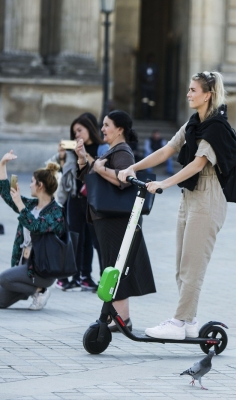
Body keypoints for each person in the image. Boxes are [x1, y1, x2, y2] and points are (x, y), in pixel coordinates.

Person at [118, 71, 236, 339]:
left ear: (207, 95)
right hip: (191, 197)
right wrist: (132, 167)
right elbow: (166, 151)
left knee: (192, 266)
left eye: (193, 90)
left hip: (208, 198)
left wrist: (164, 183)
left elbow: (198, 164)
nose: (188, 94)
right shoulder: (193, 124)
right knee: (182, 265)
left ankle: (178, 322)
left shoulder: (216, 127)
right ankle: (189, 321)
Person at [77, 110, 156, 331]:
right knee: (111, 265)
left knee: (115, 266)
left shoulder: (122, 151)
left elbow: (125, 180)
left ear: (119, 129)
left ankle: (123, 319)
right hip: (107, 218)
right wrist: (83, 158)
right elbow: (91, 176)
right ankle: (116, 317)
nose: (102, 129)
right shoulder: (112, 150)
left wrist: (101, 170)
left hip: (115, 219)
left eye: (106, 125)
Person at [0, 152, 65, 310]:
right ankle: (33, 291)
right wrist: (2, 164)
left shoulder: (57, 213)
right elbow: (6, 194)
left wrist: (20, 204)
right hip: (23, 265)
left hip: (42, 269)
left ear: (40, 186)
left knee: (3, 278)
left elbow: (36, 226)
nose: (29, 185)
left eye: (32, 182)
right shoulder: (31, 205)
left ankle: (40, 290)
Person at [49, 113, 108, 291]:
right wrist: (62, 157)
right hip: (75, 198)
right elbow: (61, 174)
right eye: (74, 132)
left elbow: (102, 170)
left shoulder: (101, 148)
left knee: (93, 240)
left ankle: (88, 276)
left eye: (80, 130)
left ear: (90, 129)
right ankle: (68, 277)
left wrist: (84, 155)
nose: (76, 135)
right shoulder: (71, 151)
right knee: (74, 238)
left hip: (94, 200)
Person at [139, 54, 158, 119]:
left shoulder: (154, 66)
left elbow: (156, 75)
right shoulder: (144, 66)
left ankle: (150, 115)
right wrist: (145, 80)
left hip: (152, 87)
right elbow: (140, 75)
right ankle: (144, 115)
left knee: (151, 102)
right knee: (144, 101)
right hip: (145, 86)